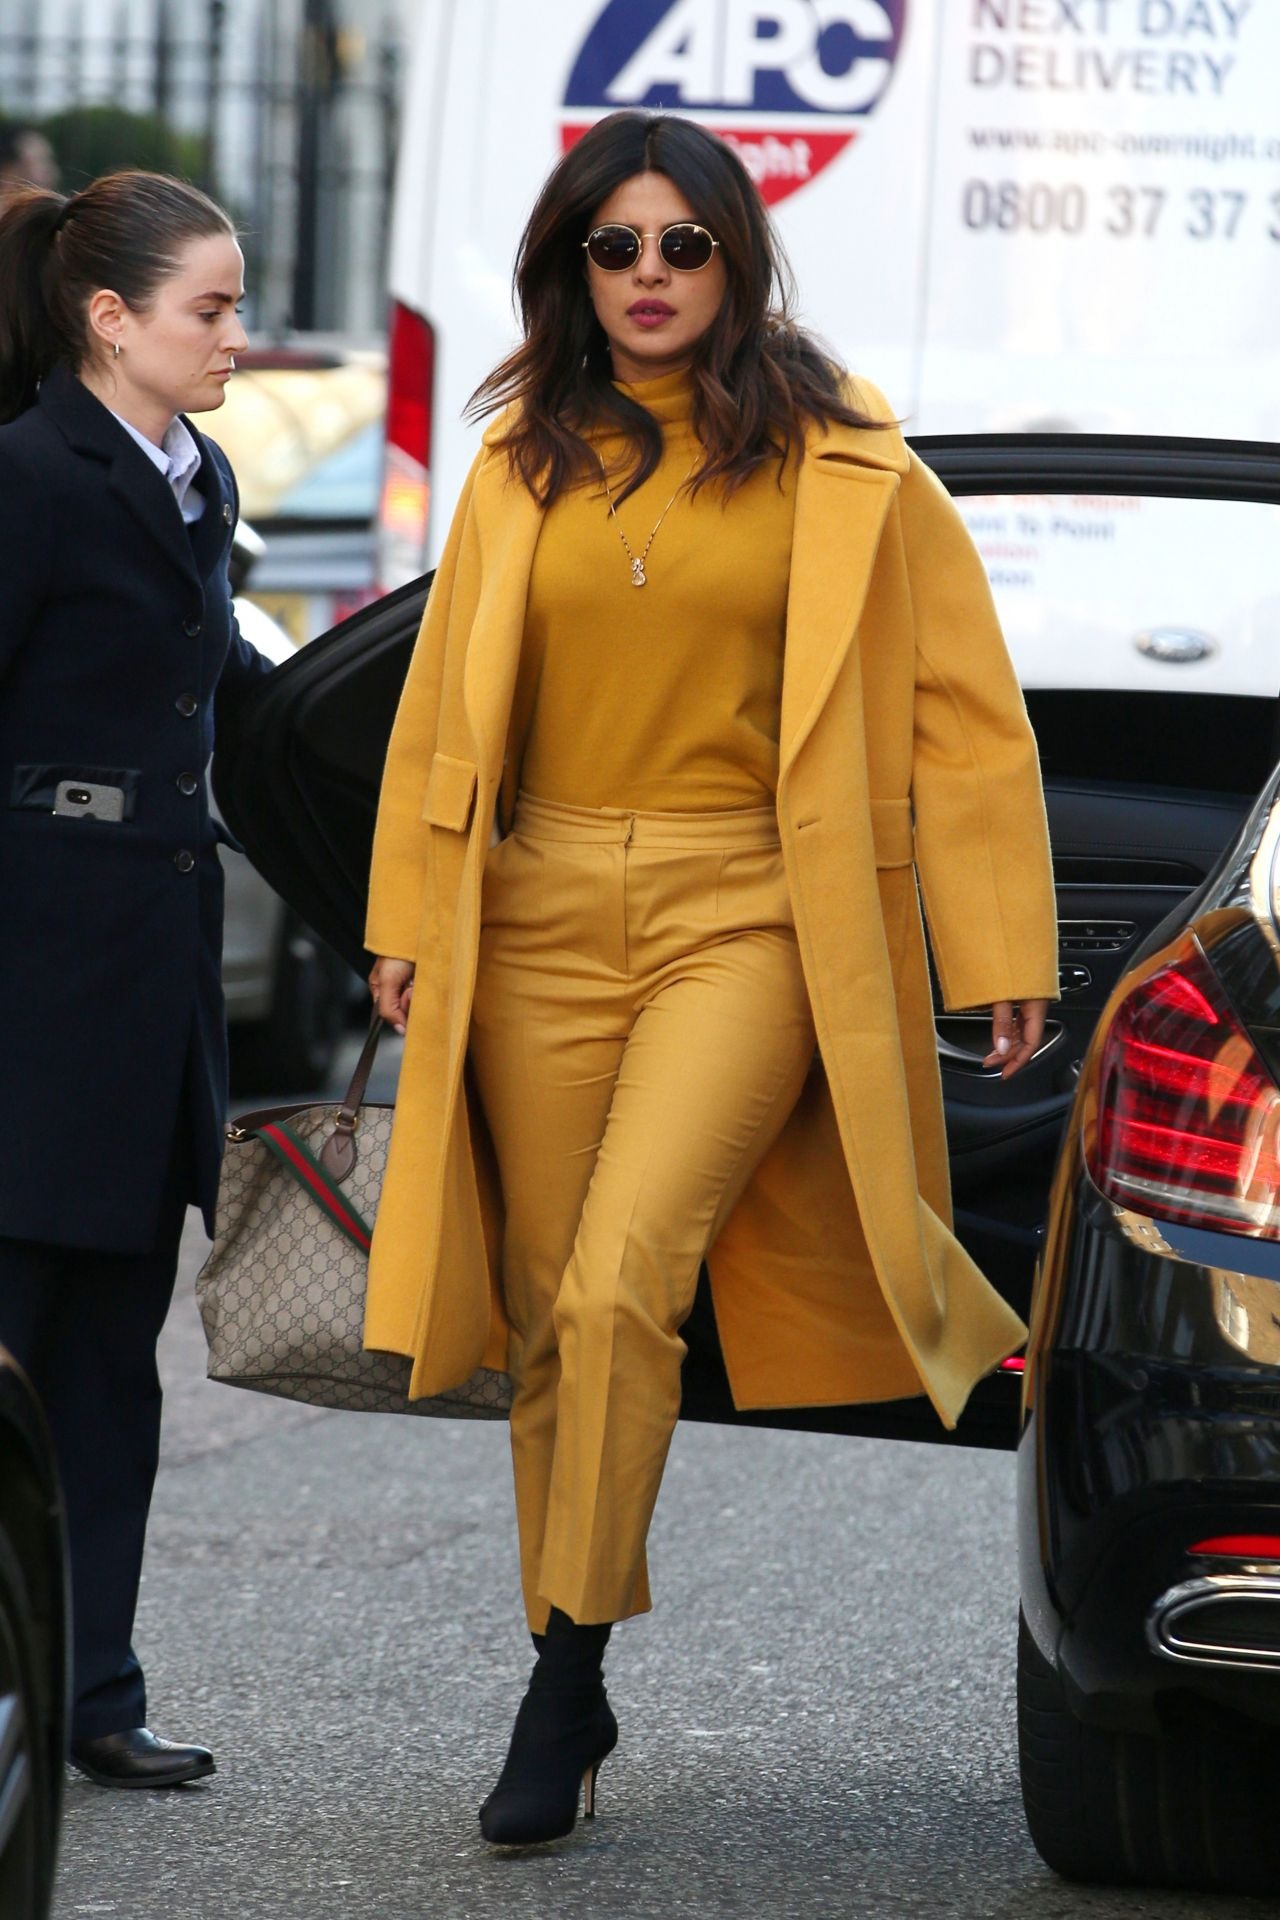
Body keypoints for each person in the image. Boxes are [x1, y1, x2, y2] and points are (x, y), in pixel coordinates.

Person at [366, 110, 1058, 1846]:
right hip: (533, 912)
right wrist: (407, 916)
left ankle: (559, 1671)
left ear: (741, 259)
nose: (653, 276)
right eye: (618, 247)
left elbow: (963, 720)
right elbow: (443, 701)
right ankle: (571, 1652)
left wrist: (998, 947)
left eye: (686, 245)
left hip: (748, 910)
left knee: (618, 1289)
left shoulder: (849, 460)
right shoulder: (521, 455)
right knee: (541, 1320)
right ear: (573, 267)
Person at [0, 171, 265, 1787]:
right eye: (212, 310)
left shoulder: (195, 471)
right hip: (31, 974)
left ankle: (95, 1691)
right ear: (112, 318)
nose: (239, 336)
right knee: (14, 1353)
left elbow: (228, 688)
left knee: (111, 1366)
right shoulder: (30, 476)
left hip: (149, 985)